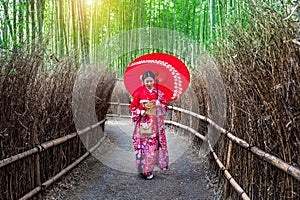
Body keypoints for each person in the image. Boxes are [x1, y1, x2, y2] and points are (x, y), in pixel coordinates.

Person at [130, 70, 169, 180]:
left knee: (153, 147)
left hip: (156, 124)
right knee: (143, 146)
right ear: (143, 81)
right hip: (144, 122)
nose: (149, 83)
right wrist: (139, 111)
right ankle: (143, 168)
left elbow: (165, 107)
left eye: (151, 81)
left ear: (154, 81)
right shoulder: (138, 92)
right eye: (146, 81)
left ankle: (148, 170)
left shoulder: (159, 93)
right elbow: (133, 106)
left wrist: (159, 104)